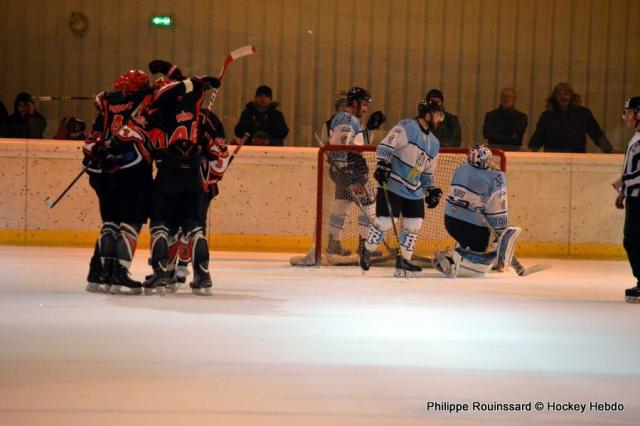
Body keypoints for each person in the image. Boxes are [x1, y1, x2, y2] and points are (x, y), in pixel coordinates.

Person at [120, 60, 220, 296]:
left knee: (160, 226)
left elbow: (130, 134)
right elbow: (185, 86)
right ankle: (203, 275)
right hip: (193, 175)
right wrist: (195, 80)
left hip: (167, 174)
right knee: (195, 228)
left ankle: (162, 272)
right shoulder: (192, 104)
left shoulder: (153, 110)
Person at [82, 69, 154, 294]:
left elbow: (92, 139)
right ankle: (119, 273)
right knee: (129, 222)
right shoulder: (144, 104)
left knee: (110, 223)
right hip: (132, 171)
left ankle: (99, 272)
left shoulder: (106, 103)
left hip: (103, 173)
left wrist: (98, 152)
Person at [359, 98, 444, 277]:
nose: (439, 120)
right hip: (393, 184)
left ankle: (403, 262)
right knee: (386, 221)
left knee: (415, 224)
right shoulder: (408, 127)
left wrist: (432, 190)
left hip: (414, 190)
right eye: (437, 115)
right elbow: (385, 146)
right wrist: (383, 164)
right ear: (427, 114)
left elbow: (427, 173)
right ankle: (367, 249)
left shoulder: (434, 143)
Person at [434, 145, 521, 277]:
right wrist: (500, 231)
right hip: (472, 227)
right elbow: (496, 208)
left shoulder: (460, 170)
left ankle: (457, 254)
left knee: (468, 243)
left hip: (450, 222)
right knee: (480, 252)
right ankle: (452, 259)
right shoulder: (495, 178)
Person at [324, 86, 381, 257]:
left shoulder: (349, 119)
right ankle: (365, 247)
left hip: (342, 171)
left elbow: (356, 146)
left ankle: (334, 244)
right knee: (369, 206)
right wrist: (346, 171)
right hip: (351, 170)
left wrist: (370, 129)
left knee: (341, 207)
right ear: (355, 103)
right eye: (363, 104)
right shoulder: (347, 118)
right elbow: (344, 147)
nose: (365, 109)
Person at [529, 82, 613, 153]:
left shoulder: (583, 114)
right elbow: (538, 136)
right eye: (559, 95)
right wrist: (531, 150)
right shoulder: (547, 116)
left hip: (576, 158)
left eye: (566, 94)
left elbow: (596, 133)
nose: (563, 98)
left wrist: (609, 150)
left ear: (572, 96)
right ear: (554, 97)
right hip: (553, 158)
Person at [614, 96, 640, 303]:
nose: (626, 117)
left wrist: (623, 183)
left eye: (629, 112)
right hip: (634, 197)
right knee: (632, 239)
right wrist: (623, 189)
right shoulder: (636, 138)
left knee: (633, 239)